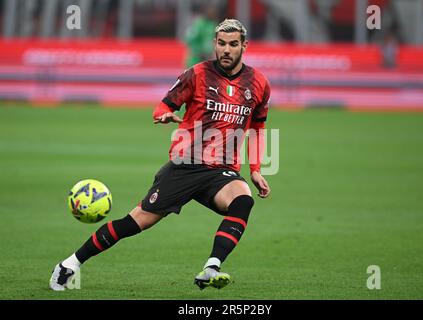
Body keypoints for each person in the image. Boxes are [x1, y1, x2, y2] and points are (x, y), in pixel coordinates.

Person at [49, 18, 271, 291]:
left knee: (242, 200)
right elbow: (163, 106)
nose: (226, 50)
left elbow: (258, 127)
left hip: (221, 171)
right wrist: (164, 115)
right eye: (221, 44)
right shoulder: (197, 75)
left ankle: (211, 267)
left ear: (244, 46)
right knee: (135, 223)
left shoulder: (259, 83)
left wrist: (256, 169)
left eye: (233, 44)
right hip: (185, 166)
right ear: (215, 44)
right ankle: (69, 264)